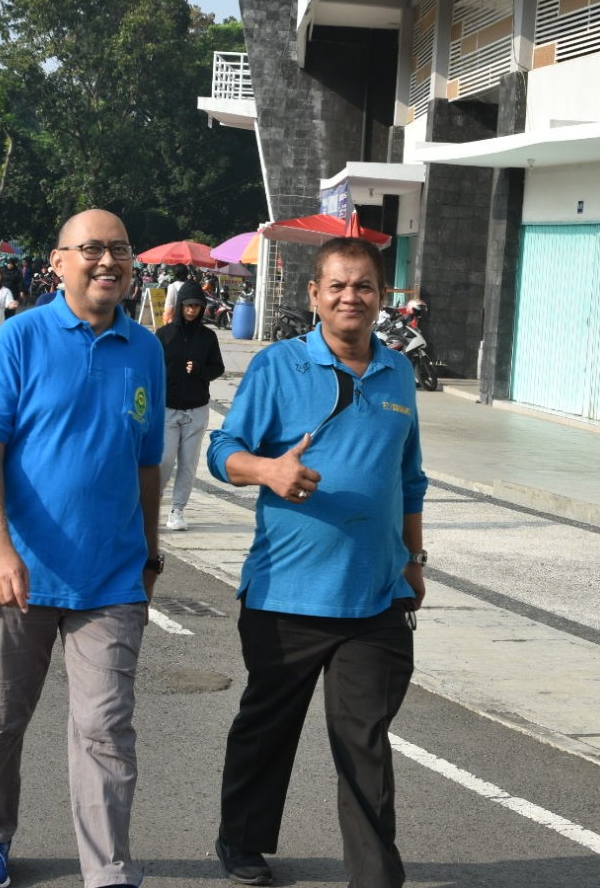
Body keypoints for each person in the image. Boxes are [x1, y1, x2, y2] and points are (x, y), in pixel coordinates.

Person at [206, 237, 427, 888]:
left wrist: (413, 560)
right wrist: (268, 470)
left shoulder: (398, 374)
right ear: (314, 295)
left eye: (363, 287)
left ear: (381, 297)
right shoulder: (278, 367)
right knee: (267, 727)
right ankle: (241, 840)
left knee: (363, 742)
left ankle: (376, 877)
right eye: (337, 286)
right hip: (286, 593)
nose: (350, 297)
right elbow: (224, 451)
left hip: (375, 595)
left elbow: (409, 478)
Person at [0, 209, 165, 888]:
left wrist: (151, 554)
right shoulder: (18, 339)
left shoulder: (146, 349)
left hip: (110, 577)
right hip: (21, 571)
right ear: (59, 261)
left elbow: (146, 463)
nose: (109, 262)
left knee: (105, 728)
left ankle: (107, 870)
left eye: (120, 251)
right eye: (93, 250)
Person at [156, 279, 224, 532]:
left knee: (188, 462)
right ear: (180, 305)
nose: (192, 310)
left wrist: (199, 370)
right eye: (188, 305)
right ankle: (152, 506)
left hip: (197, 409)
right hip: (167, 408)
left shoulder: (208, 336)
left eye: (197, 305)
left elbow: (218, 368)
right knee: (164, 460)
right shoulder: (164, 335)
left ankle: (178, 509)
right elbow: (152, 369)